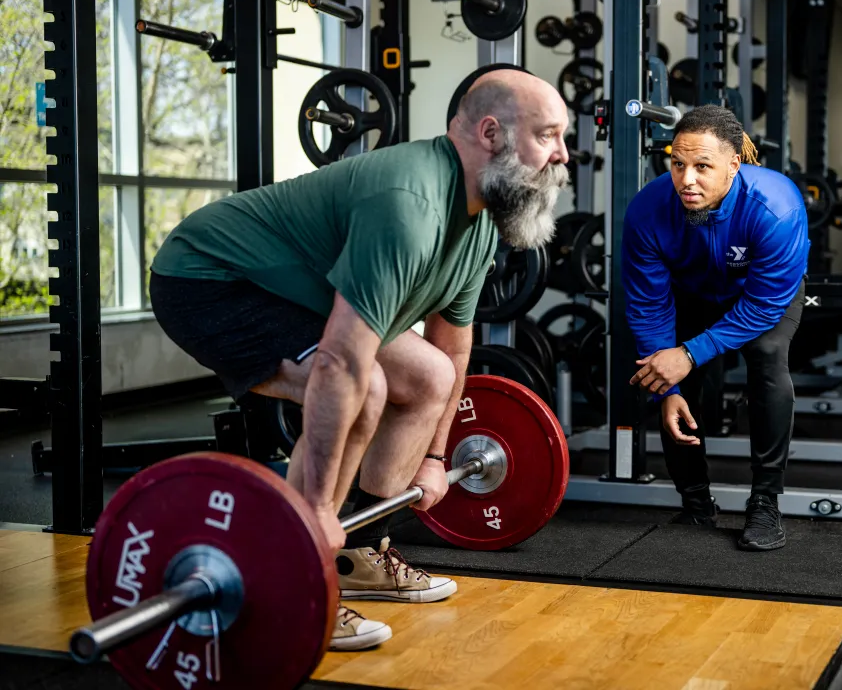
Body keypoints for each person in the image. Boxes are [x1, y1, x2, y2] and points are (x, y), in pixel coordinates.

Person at [148, 69, 571, 649]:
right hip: (210, 280)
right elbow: (341, 368)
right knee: (366, 386)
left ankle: (360, 556)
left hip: (298, 288)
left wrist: (434, 455)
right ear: (491, 134)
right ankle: (296, 582)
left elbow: (453, 345)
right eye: (548, 135)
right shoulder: (410, 203)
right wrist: (320, 507)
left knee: (430, 377)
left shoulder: (480, 219)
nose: (562, 155)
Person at [622, 104, 809, 551]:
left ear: (733, 164)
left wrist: (688, 354)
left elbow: (763, 307)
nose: (687, 180)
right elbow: (648, 306)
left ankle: (765, 502)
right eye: (678, 164)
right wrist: (667, 385)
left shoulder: (775, 207)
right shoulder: (648, 210)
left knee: (766, 356)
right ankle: (695, 502)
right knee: (660, 371)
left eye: (703, 166)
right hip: (691, 293)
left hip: (761, 299)